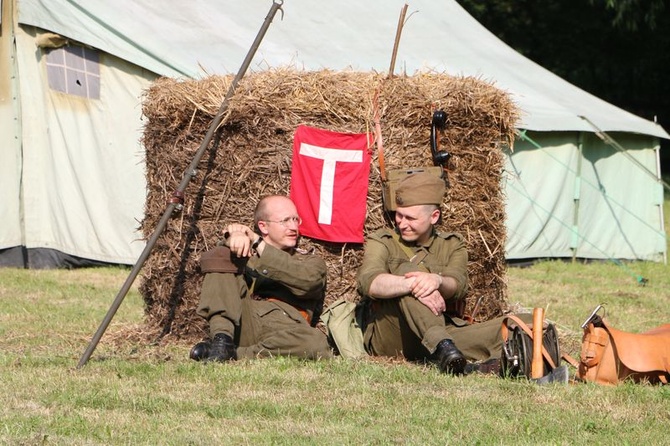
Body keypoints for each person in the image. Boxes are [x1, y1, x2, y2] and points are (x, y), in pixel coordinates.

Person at [356, 172, 529, 375]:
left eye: (410, 218)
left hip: (438, 334)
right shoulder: (382, 240)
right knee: (410, 273)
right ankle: (444, 347)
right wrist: (413, 284)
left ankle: (461, 357)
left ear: (434, 217)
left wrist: (436, 281)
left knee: (523, 323)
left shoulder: (452, 244)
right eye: (399, 215)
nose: (402, 223)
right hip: (392, 336)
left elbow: (458, 285)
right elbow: (368, 282)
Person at [190, 195, 332, 362]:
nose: (293, 227)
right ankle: (222, 340)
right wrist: (232, 239)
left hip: (284, 329)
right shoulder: (246, 255)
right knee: (222, 258)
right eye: (285, 221)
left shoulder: (310, 261)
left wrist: (257, 242)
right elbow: (214, 267)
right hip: (245, 320)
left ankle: (234, 353)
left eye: (296, 220)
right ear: (263, 226)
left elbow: (309, 282)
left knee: (315, 343)